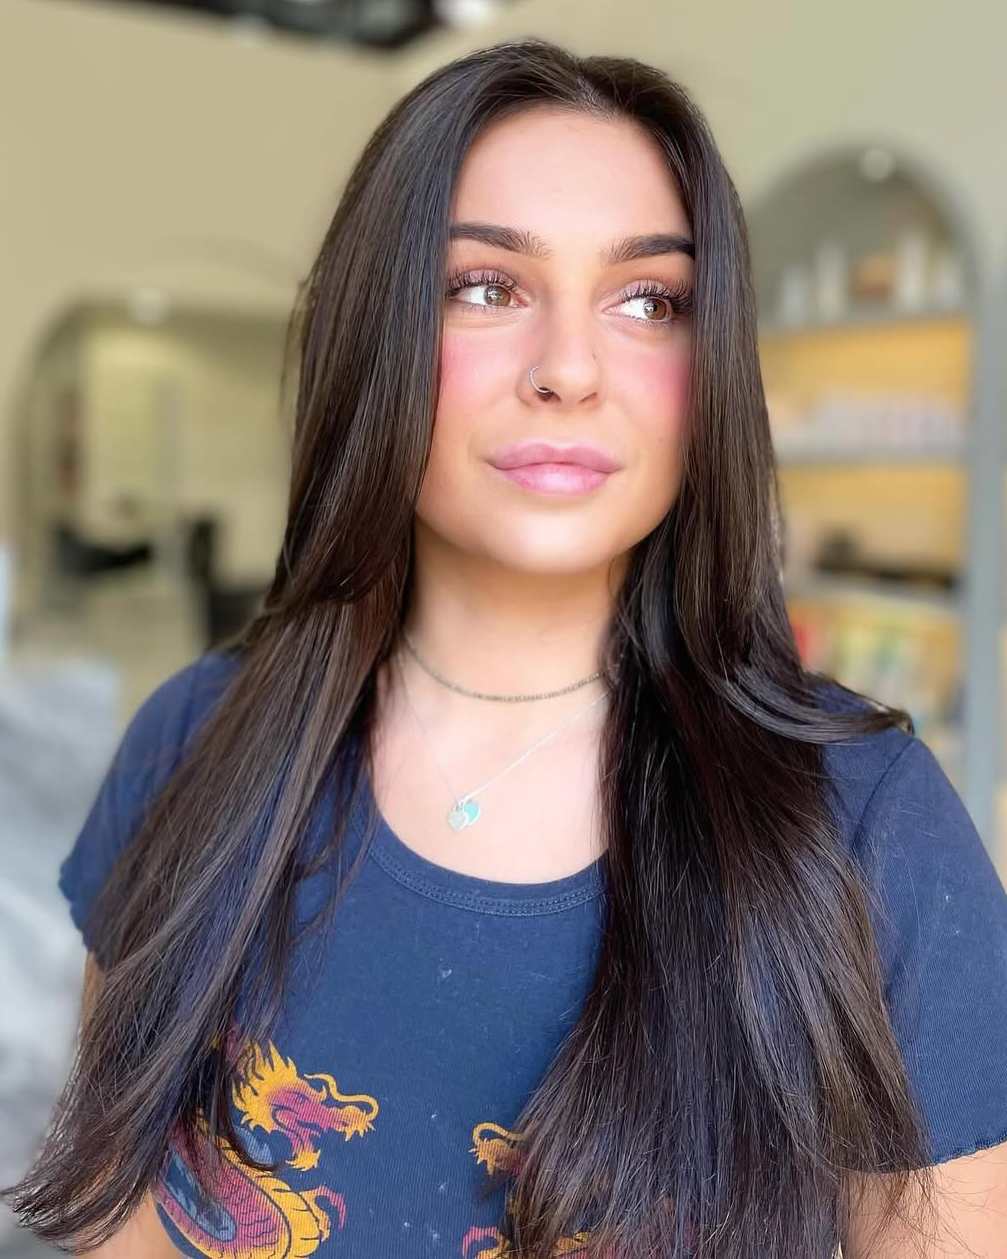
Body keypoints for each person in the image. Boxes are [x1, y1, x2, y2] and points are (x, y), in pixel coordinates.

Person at [6, 36, 1007, 1259]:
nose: (568, 371)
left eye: (649, 300)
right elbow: (115, 1207)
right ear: (379, 329)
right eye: (485, 286)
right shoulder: (194, 738)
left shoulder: (862, 821)